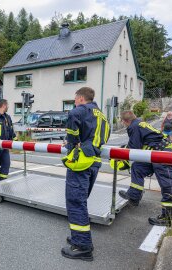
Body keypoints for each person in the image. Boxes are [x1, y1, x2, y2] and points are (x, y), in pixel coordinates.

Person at [61, 87, 110, 261]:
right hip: (95, 162)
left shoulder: (80, 111)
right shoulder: (102, 115)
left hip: (81, 162)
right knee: (81, 200)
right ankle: (78, 236)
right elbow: (105, 136)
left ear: (81, 98)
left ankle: (82, 246)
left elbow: (73, 121)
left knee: (75, 201)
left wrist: (73, 143)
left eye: (75, 99)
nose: (74, 102)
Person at [119, 110, 172, 226]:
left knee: (168, 185)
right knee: (138, 167)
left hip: (163, 154)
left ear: (125, 121)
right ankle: (134, 196)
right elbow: (136, 144)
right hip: (156, 153)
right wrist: (123, 148)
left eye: (122, 122)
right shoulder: (139, 123)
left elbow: (134, 148)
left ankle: (168, 218)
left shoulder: (133, 127)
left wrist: (122, 154)